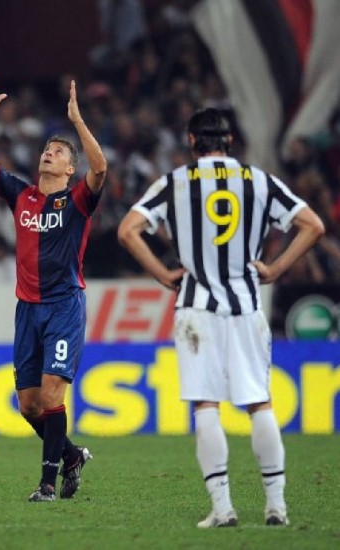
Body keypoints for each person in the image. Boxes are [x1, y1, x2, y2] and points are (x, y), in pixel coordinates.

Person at [118, 108, 324, 527]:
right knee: (259, 402)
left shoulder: (174, 182)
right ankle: (276, 507)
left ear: (192, 142)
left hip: (196, 307)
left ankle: (223, 507)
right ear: (230, 142)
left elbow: (127, 230)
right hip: (246, 305)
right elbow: (312, 225)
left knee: (206, 405)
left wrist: (162, 274)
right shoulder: (259, 180)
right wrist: (276, 268)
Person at [0, 72, 107, 502]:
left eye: (59, 152)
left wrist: (78, 123)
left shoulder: (78, 201)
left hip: (64, 306)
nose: (50, 153)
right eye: (48, 149)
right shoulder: (22, 195)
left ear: (70, 169)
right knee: (29, 406)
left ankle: (48, 485)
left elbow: (100, 167)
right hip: (27, 309)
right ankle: (71, 457)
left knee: (52, 393)